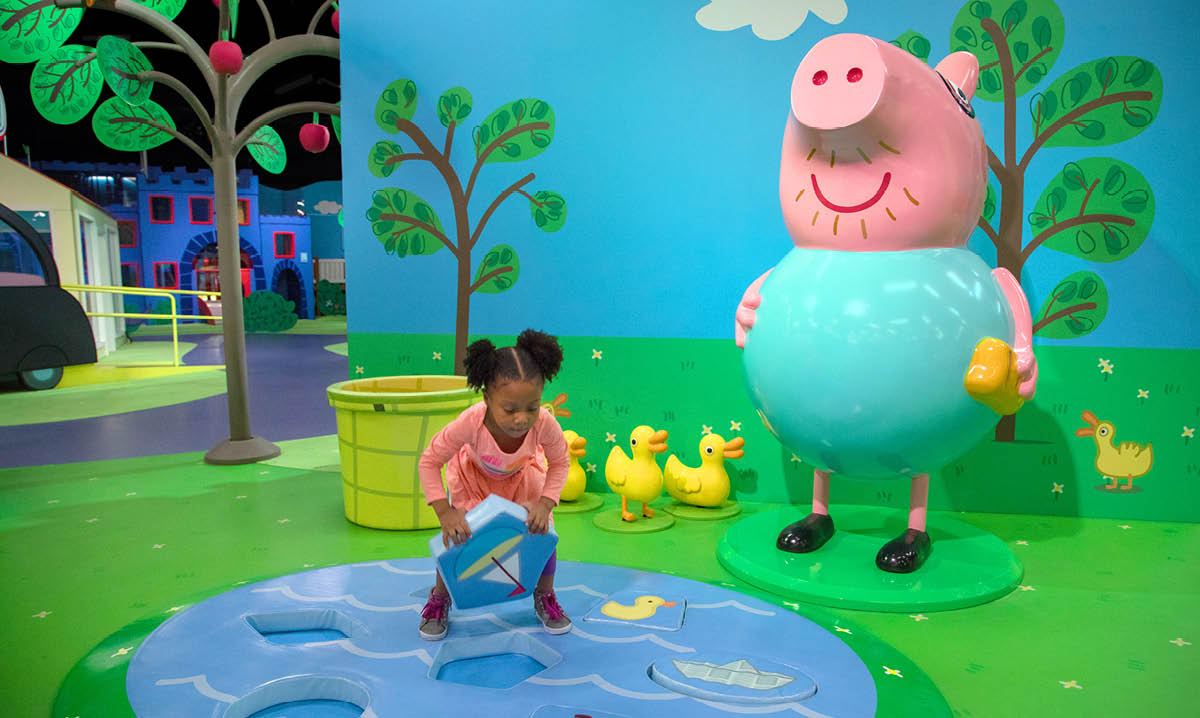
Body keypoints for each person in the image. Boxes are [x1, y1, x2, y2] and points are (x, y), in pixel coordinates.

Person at [416, 329, 571, 641]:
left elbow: (560, 462)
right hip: (473, 480)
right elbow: (429, 462)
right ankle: (439, 598)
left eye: (532, 406)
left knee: (543, 534)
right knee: (459, 538)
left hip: (520, 481)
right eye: (510, 409)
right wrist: (446, 513)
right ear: (486, 397)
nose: (522, 419)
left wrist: (545, 503)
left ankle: (544, 595)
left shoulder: (544, 424)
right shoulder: (470, 423)